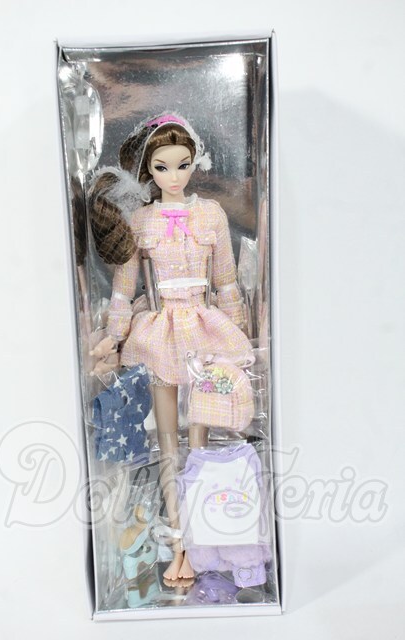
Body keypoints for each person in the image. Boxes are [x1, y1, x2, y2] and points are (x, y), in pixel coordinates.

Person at [90, 113, 251, 580]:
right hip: (159, 330)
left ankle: (198, 544)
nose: (174, 176)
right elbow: (123, 289)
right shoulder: (141, 220)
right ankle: (177, 540)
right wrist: (113, 335)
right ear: (149, 170)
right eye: (162, 167)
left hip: (204, 329)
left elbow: (226, 281)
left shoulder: (211, 214)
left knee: (200, 436)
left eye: (183, 165)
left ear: (195, 162)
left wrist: (239, 334)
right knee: (167, 442)